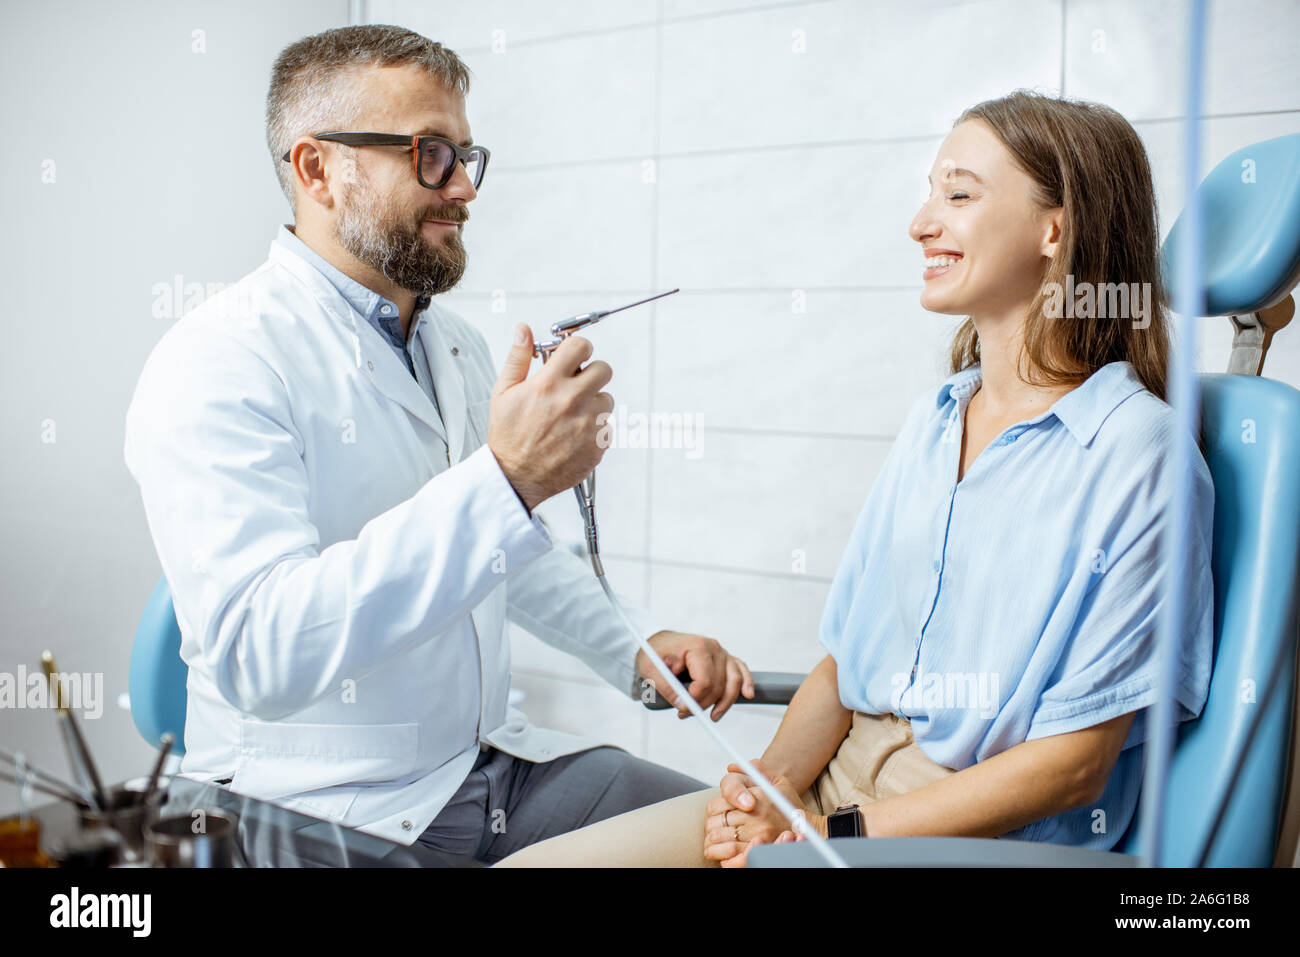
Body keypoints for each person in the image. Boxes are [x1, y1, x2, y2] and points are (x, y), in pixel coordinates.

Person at [494, 90, 1215, 867]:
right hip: (829, 800)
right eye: (929, 191)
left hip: (969, 838)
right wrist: (767, 793)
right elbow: (845, 666)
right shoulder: (936, 422)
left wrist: (826, 838)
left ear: (1055, 228)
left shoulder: (1137, 452)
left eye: (959, 194)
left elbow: (1073, 766)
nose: (921, 222)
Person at [122, 24, 755, 865]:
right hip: (318, 806)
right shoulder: (218, 359)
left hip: (485, 765)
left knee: (739, 839)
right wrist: (507, 479)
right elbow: (258, 652)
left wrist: (637, 644)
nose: (462, 186)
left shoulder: (451, 344)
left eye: (465, 154)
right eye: (429, 153)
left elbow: (503, 552)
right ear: (317, 169)